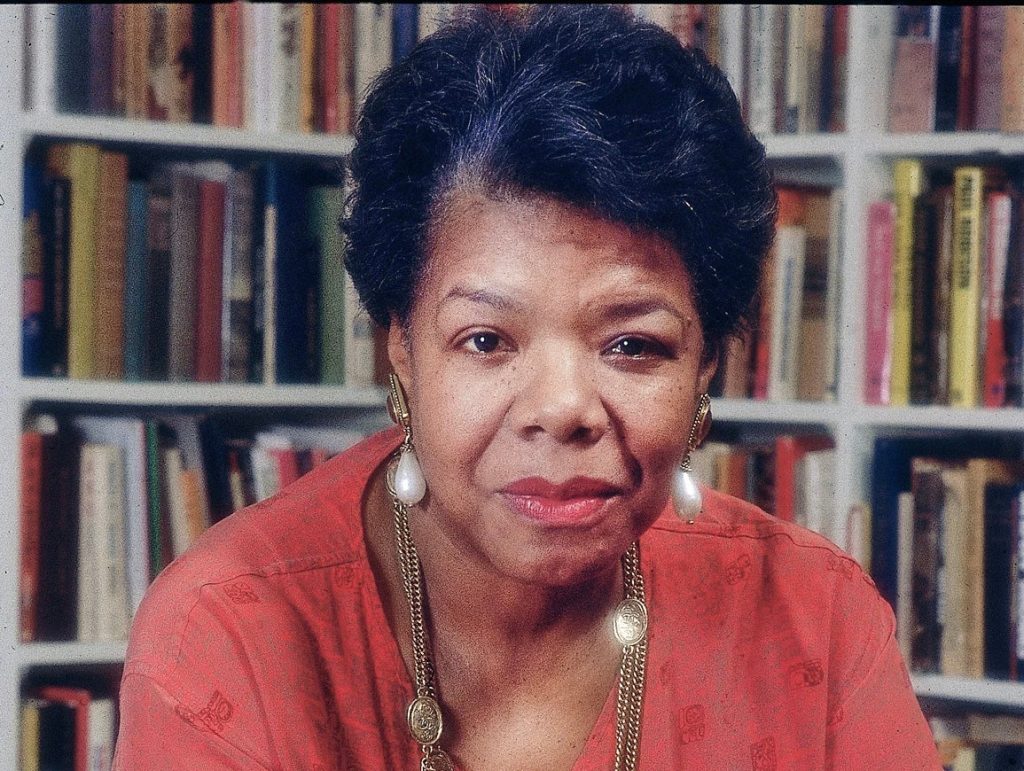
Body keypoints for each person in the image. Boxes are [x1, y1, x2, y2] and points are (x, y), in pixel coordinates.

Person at [114, 5, 941, 769]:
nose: (561, 409)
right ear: (401, 347)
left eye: (633, 344)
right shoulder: (227, 632)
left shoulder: (817, 620)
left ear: (705, 365)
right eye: (486, 340)